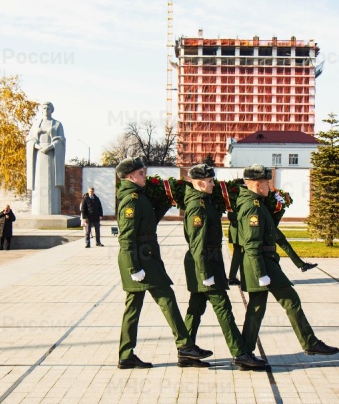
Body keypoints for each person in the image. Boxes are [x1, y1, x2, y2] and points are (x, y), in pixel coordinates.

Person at [114, 156, 211, 369]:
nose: (144, 176)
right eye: (140, 173)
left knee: (133, 307)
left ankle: (126, 354)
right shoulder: (131, 200)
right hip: (141, 260)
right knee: (166, 299)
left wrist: (166, 203)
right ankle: (185, 346)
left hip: (145, 257)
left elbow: (148, 223)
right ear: (130, 176)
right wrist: (134, 268)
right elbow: (126, 237)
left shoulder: (139, 196)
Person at [237, 164, 339, 357]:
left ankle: (244, 351)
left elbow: (270, 229)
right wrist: (261, 274)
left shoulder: (256, 202)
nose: (269, 186)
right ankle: (310, 342)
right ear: (258, 184)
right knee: (291, 300)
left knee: (256, 308)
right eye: (267, 183)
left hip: (260, 262)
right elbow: (252, 244)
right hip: (262, 263)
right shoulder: (253, 207)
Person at [183, 164, 268, 370]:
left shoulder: (205, 200)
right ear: (200, 183)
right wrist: (205, 273)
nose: (214, 184)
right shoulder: (197, 206)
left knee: (196, 307)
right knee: (223, 308)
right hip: (204, 264)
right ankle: (239, 353)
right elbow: (197, 244)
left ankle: (185, 351)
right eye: (210, 181)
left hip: (208, 261)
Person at [26, 101, 66, 215]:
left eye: (48, 108)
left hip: (52, 155)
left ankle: (52, 211)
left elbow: (61, 140)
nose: (46, 110)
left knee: (50, 182)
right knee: (38, 180)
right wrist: (37, 146)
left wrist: (50, 146)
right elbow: (30, 139)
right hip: (39, 155)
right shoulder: (36, 124)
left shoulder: (57, 124)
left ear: (51, 110)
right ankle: (37, 211)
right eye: (44, 108)